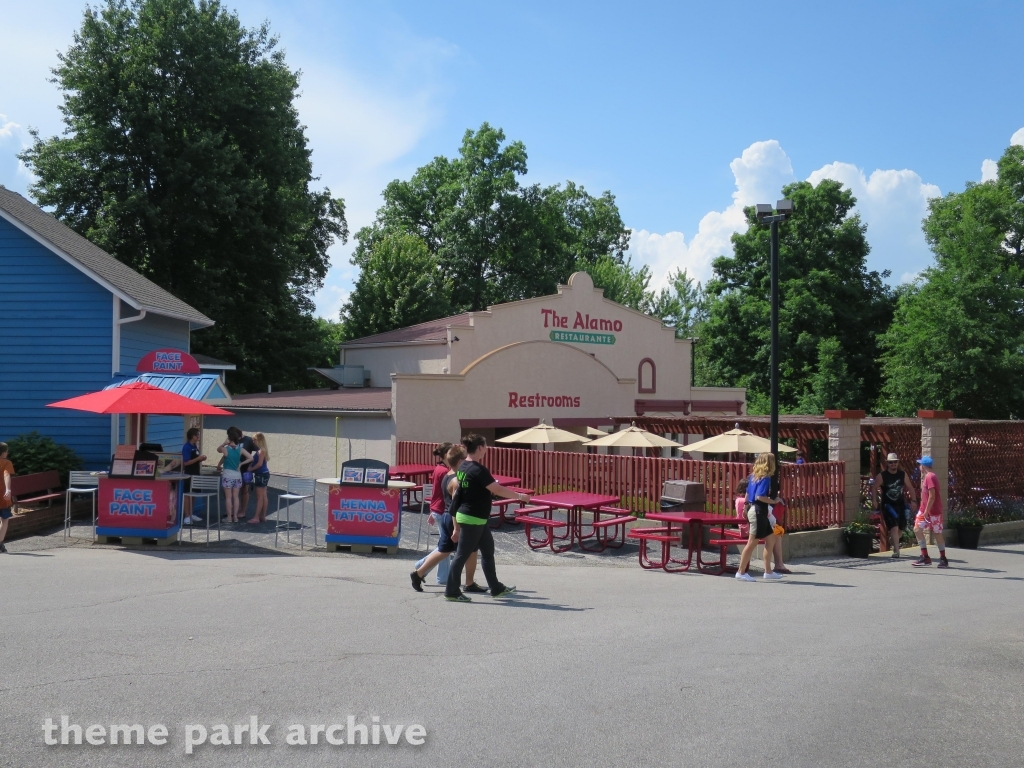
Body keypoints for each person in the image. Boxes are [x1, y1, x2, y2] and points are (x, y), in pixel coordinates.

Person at [444, 434, 527, 602]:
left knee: (488, 552)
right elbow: (496, 489)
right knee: (461, 554)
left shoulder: (463, 466)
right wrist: (520, 496)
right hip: (471, 518)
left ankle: (495, 587)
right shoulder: (477, 469)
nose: (487, 448)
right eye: (486, 445)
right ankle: (451, 591)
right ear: (480, 448)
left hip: (477, 518)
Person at [411, 445, 480, 590]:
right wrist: (457, 528)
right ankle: (464, 583)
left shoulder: (448, 474)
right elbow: (455, 505)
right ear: (460, 462)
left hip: (446, 516)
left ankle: (419, 573)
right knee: (466, 550)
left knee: (445, 550)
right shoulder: (455, 480)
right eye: (465, 459)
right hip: (453, 518)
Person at [736, 453, 783, 582]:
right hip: (758, 511)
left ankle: (768, 571)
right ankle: (741, 572)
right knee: (752, 543)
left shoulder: (753, 477)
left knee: (771, 539)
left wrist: (746, 507)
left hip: (755, 510)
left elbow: (747, 494)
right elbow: (760, 496)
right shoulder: (765, 478)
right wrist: (774, 501)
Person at [872, 452, 916, 559]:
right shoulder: (882, 476)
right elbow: (874, 487)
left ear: (898, 463)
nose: (893, 464)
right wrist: (874, 500)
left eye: (895, 462)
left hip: (900, 504)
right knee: (894, 527)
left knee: (901, 528)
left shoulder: (902, 474)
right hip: (888, 505)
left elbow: (910, 487)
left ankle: (893, 540)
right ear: (887, 463)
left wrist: (914, 501)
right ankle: (896, 551)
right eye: (891, 462)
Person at [912, 456, 948, 568]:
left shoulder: (930, 477)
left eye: (920, 464)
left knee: (937, 533)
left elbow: (932, 496)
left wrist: (927, 511)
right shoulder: (928, 477)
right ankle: (925, 556)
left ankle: (943, 558)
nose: (919, 467)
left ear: (923, 466)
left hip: (933, 511)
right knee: (917, 529)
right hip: (924, 510)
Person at [218, 428, 252, 524]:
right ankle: (236, 517)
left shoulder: (226, 449)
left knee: (228, 497)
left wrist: (224, 443)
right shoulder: (241, 449)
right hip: (237, 476)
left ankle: (229, 517)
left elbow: (218, 449)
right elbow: (251, 458)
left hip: (227, 475)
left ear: (229, 438)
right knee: (236, 497)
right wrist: (241, 464)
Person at [180, 428, 206, 525]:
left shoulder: (195, 446)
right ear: (192, 436)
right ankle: (186, 516)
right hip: (189, 474)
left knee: (194, 494)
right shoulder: (186, 447)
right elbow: (186, 462)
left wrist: (201, 459)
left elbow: (195, 459)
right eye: (197, 435)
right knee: (188, 495)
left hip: (196, 473)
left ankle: (191, 513)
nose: (198, 437)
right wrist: (198, 458)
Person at [246, 432, 271, 525]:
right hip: (264, 474)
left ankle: (256, 517)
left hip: (260, 474)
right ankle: (262, 516)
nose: (253, 441)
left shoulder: (261, 451)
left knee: (259, 496)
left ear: (259, 440)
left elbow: (259, 464)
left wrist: (250, 469)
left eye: (254, 439)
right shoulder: (262, 450)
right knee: (264, 495)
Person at [235, 429, 258, 521]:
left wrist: (253, 464)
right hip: (233, 468)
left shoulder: (248, 440)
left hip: (245, 469)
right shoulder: (232, 440)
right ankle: (233, 511)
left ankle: (242, 511)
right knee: (232, 490)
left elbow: (259, 451)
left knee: (244, 490)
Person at [0, 443, 14, 554]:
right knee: (4, 520)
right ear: (4, 452)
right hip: (2, 498)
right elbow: (6, 475)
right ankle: (0, 544)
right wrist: (8, 489)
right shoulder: (6, 463)